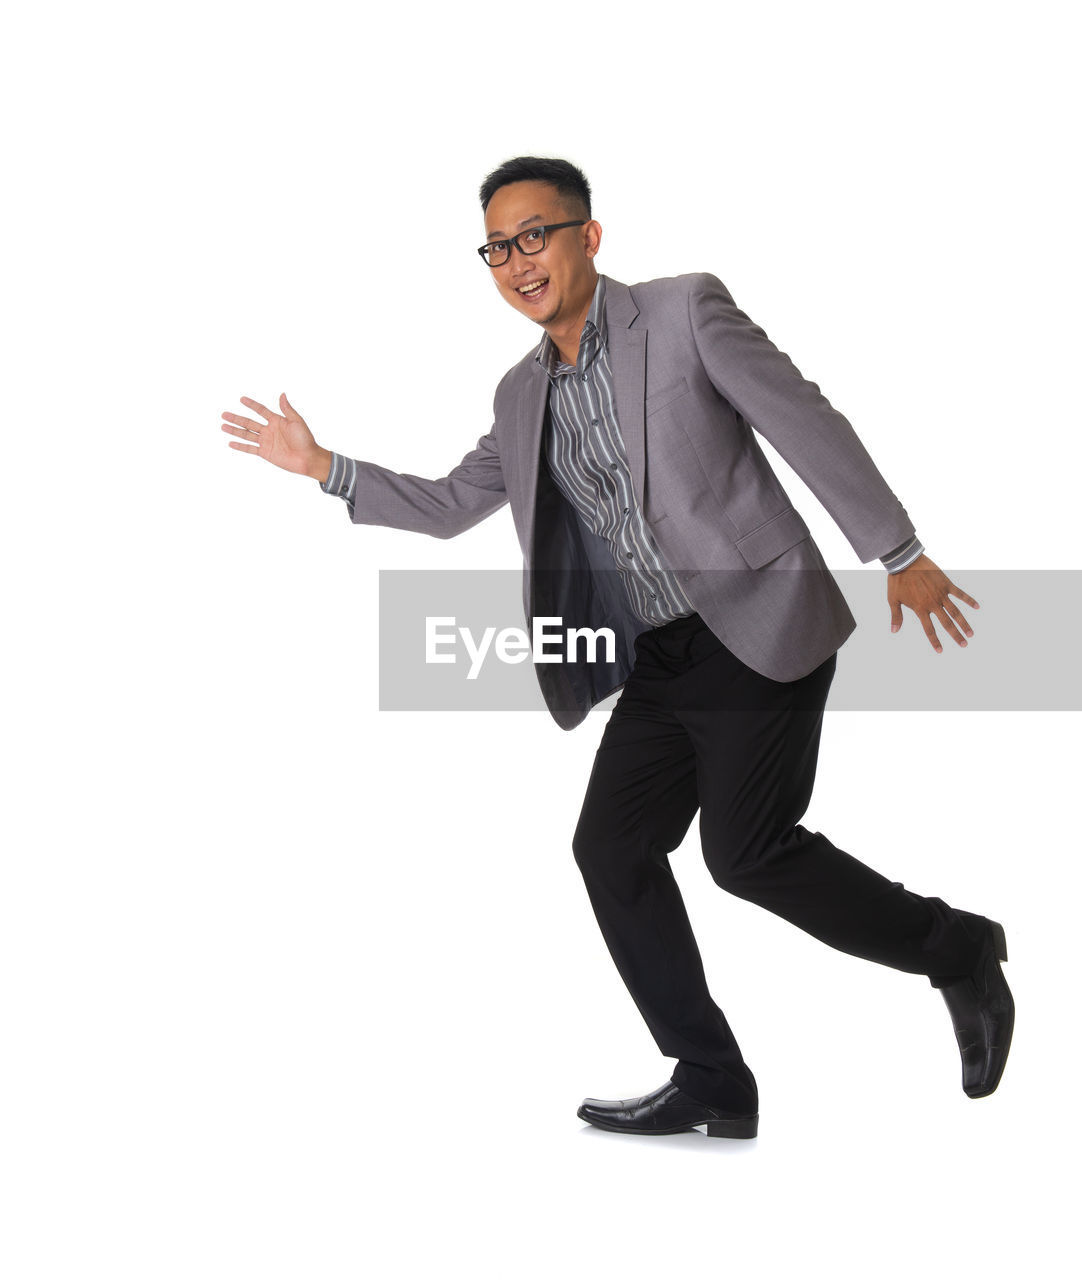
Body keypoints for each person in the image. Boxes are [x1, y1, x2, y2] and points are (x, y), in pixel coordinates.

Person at [220, 156, 1013, 1140]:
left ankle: (957, 949)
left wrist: (896, 549)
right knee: (610, 845)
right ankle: (712, 1077)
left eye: (534, 234)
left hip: (760, 622)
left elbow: (800, 418)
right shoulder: (520, 397)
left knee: (745, 851)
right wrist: (325, 468)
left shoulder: (682, 313)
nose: (517, 261)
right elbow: (447, 506)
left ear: (586, 236)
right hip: (660, 657)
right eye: (497, 247)